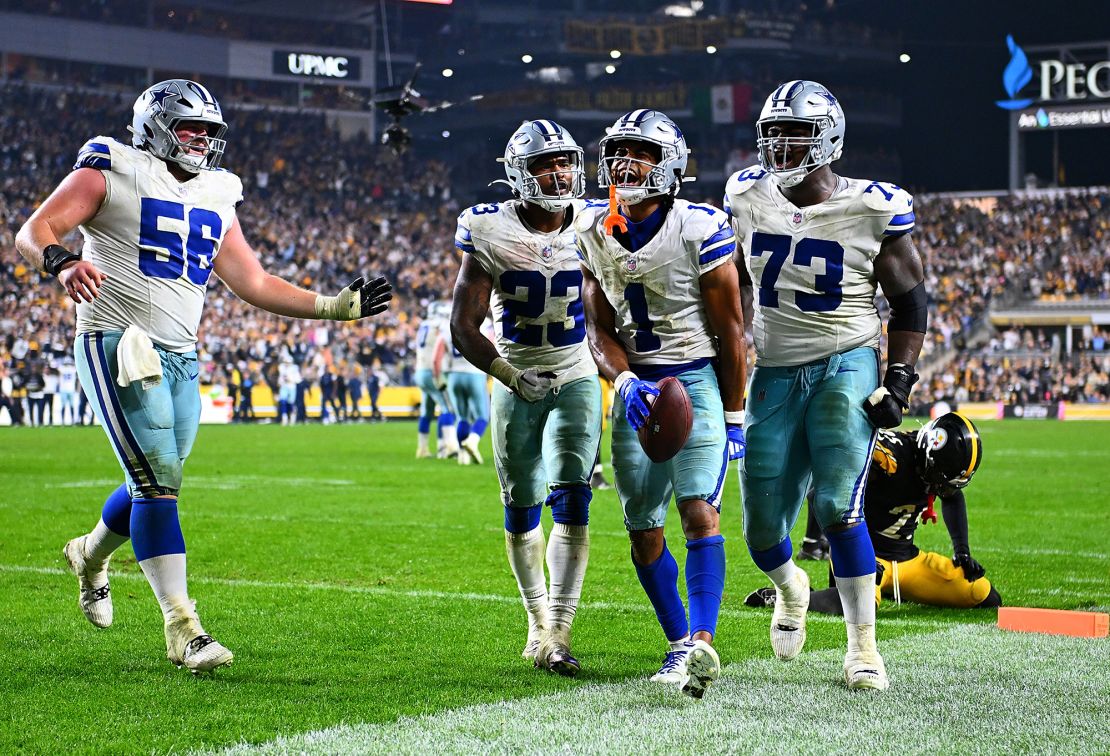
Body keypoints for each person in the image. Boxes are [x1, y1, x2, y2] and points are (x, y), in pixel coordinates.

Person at [15, 79, 392, 674]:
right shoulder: (111, 164)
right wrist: (61, 262)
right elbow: (33, 231)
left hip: (181, 355)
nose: (200, 140)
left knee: (156, 481)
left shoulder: (219, 191)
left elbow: (254, 282)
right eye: (189, 127)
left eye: (209, 131)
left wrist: (334, 306)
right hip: (118, 342)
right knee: (157, 477)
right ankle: (183, 628)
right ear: (156, 124)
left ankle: (89, 554)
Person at [724, 80, 927, 692]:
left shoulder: (872, 206)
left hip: (847, 360)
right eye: (774, 133)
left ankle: (862, 647)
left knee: (838, 504)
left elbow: (911, 302)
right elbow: (731, 280)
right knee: (761, 529)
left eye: (796, 133)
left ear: (830, 138)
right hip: (775, 370)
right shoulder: (744, 193)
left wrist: (898, 380)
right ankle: (792, 589)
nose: (782, 145)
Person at [578, 109, 746, 699]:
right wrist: (622, 383)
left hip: (694, 379)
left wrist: (732, 416)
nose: (625, 163)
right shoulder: (594, 231)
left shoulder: (699, 226)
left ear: (669, 164)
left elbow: (731, 330)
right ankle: (676, 644)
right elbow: (597, 330)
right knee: (642, 530)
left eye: (640, 152)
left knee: (700, 510)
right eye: (619, 151)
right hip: (636, 388)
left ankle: (701, 641)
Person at [450, 119, 601, 676]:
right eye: (545, 164)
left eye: (564, 161)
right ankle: (536, 621)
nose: (558, 173)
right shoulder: (487, 230)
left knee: (574, 499)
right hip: (517, 376)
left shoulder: (594, 221)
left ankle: (559, 631)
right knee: (520, 508)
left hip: (577, 370)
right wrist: (511, 375)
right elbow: (463, 326)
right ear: (519, 173)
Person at [745, 412, 1001, 612]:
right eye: (942, 479)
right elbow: (823, 491)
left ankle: (885, 586)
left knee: (982, 594)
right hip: (864, 552)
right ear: (927, 453)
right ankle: (793, 596)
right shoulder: (886, 457)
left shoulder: (936, 467)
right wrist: (829, 544)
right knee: (857, 604)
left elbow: (952, 496)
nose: (943, 488)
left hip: (907, 560)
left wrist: (962, 551)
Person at [435, 316, 492, 464]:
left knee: (462, 417)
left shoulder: (448, 325)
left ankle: (462, 456)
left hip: (454, 375)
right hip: (475, 374)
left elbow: (438, 356)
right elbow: (492, 344)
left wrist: (439, 377)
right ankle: (472, 441)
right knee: (483, 416)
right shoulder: (483, 322)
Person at [413, 300, 458, 457]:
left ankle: (423, 448)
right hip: (433, 371)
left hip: (420, 371)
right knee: (447, 408)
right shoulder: (440, 324)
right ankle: (449, 446)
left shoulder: (423, 325)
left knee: (427, 411)